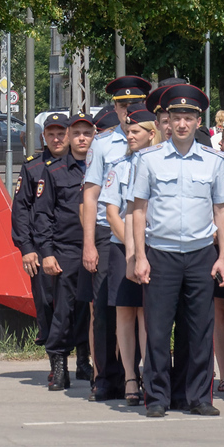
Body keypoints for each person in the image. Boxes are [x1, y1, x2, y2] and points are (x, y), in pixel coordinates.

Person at [126, 83, 224, 418]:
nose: (183, 123)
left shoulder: (214, 162)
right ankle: (157, 397)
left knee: (199, 330)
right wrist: (139, 256)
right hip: (161, 253)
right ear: (166, 122)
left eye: (189, 117)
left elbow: (222, 211)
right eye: (177, 117)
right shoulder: (148, 160)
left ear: (198, 120)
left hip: (201, 253)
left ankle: (198, 396)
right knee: (158, 330)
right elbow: (138, 210)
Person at [35, 113, 95, 391]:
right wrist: (47, 253)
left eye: (88, 133)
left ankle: (86, 361)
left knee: (91, 310)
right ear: (69, 136)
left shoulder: (101, 168)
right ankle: (59, 365)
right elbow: (43, 215)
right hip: (67, 251)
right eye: (78, 133)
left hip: (99, 248)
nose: (82, 138)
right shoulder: (55, 170)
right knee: (64, 311)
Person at [81, 99, 135, 400]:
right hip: (106, 232)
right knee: (103, 308)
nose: (129, 111)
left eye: (135, 104)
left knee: (137, 308)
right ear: (115, 108)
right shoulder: (101, 145)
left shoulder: (154, 139)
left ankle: (134, 375)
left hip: (145, 233)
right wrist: (89, 243)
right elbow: (91, 196)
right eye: (124, 106)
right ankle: (105, 377)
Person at [101, 110, 155, 405]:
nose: (130, 135)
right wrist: (133, 248)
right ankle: (129, 377)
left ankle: (149, 371)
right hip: (122, 247)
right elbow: (112, 213)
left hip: (154, 246)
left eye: (136, 131)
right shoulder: (118, 167)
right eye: (128, 131)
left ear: (151, 132)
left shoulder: (160, 164)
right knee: (125, 312)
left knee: (147, 312)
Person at [14, 115, 70, 346]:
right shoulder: (33, 167)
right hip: (40, 248)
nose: (56, 139)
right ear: (43, 137)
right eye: (51, 135)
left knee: (77, 303)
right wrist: (26, 248)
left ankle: (83, 361)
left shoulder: (81, 165)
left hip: (71, 245)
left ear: (68, 135)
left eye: (61, 134)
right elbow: (20, 210)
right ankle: (54, 359)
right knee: (46, 303)